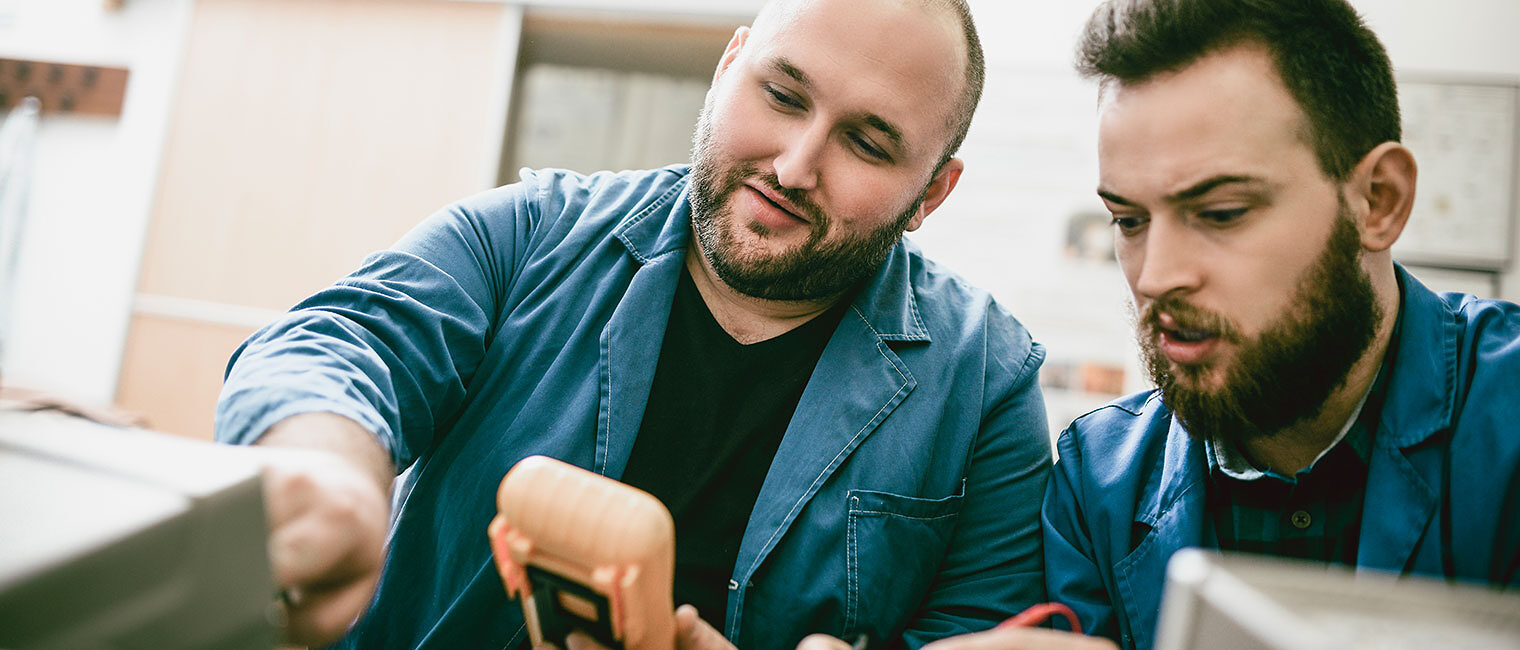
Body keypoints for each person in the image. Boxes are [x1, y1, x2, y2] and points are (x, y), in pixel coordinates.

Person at [214, 0, 1054, 648]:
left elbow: (984, 629)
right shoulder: (530, 232)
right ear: (729, 67)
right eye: (782, 94)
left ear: (932, 195)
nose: (795, 167)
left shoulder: (985, 378)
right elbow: (341, 341)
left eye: (867, 145)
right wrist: (329, 472)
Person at [926, 1, 1520, 649]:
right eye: (1129, 221)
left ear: (1378, 201)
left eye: (1221, 212)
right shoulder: (1097, 481)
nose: (1155, 276)